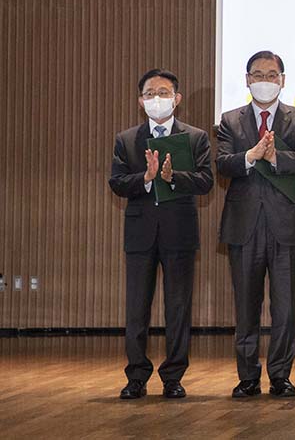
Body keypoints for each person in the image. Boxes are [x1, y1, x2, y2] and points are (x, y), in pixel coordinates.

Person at [216, 50, 295, 398]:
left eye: (271, 75)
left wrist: (276, 157)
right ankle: (247, 377)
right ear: (247, 80)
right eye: (258, 75)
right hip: (243, 226)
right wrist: (250, 156)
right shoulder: (230, 120)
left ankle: (280, 376)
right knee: (246, 308)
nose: (265, 81)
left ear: (283, 80)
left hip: (286, 226)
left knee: (285, 308)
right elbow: (222, 163)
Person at [108, 68, 213, 400]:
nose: (157, 99)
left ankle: (173, 377)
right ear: (141, 101)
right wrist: (148, 178)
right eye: (150, 94)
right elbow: (117, 182)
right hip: (140, 235)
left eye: (164, 93)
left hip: (179, 233)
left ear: (177, 99)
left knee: (178, 308)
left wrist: (172, 177)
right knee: (137, 308)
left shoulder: (195, 138)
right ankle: (136, 376)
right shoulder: (126, 139)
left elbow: (206, 181)